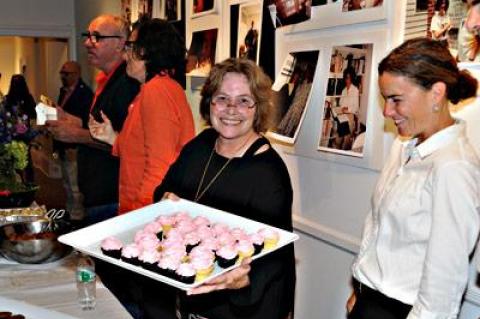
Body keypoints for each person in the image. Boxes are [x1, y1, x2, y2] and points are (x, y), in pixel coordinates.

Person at [150, 57, 296, 319]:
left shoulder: (268, 172)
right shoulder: (199, 145)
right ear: (209, 103)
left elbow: (275, 255)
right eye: (222, 98)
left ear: (258, 108)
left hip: (244, 307)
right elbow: (162, 192)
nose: (231, 109)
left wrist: (241, 279)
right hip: (194, 291)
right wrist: (165, 201)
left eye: (243, 100)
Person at [347, 37, 480, 319]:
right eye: (385, 100)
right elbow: (379, 227)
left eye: (396, 99)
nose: (386, 111)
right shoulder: (403, 146)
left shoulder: (454, 167)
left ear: (436, 93)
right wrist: (360, 288)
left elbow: (443, 285)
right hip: (370, 300)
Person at [89, 18, 195, 214]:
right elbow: (141, 150)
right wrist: (112, 137)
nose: (125, 55)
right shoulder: (153, 89)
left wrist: (139, 217)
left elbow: (160, 168)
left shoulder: (157, 90)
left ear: (147, 51)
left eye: (130, 47)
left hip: (145, 214)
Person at [46, 14, 140, 225]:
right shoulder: (106, 80)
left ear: (120, 44)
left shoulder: (128, 83)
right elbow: (101, 127)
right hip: (97, 196)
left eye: (97, 37)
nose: (88, 43)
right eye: (88, 36)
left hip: (112, 197)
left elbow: (126, 142)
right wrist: (70, 119)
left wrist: (76, 135)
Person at [54, 61, 93, 221]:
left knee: (76, 186)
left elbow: (86, 122)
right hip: (64, 146)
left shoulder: (85, 94)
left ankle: (78, 219)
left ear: (76, 74)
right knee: (67, 184)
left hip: (76, 147)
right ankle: (70, 214)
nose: (63, 76)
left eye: (66, 73)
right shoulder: (64, 91)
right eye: (61, 73)